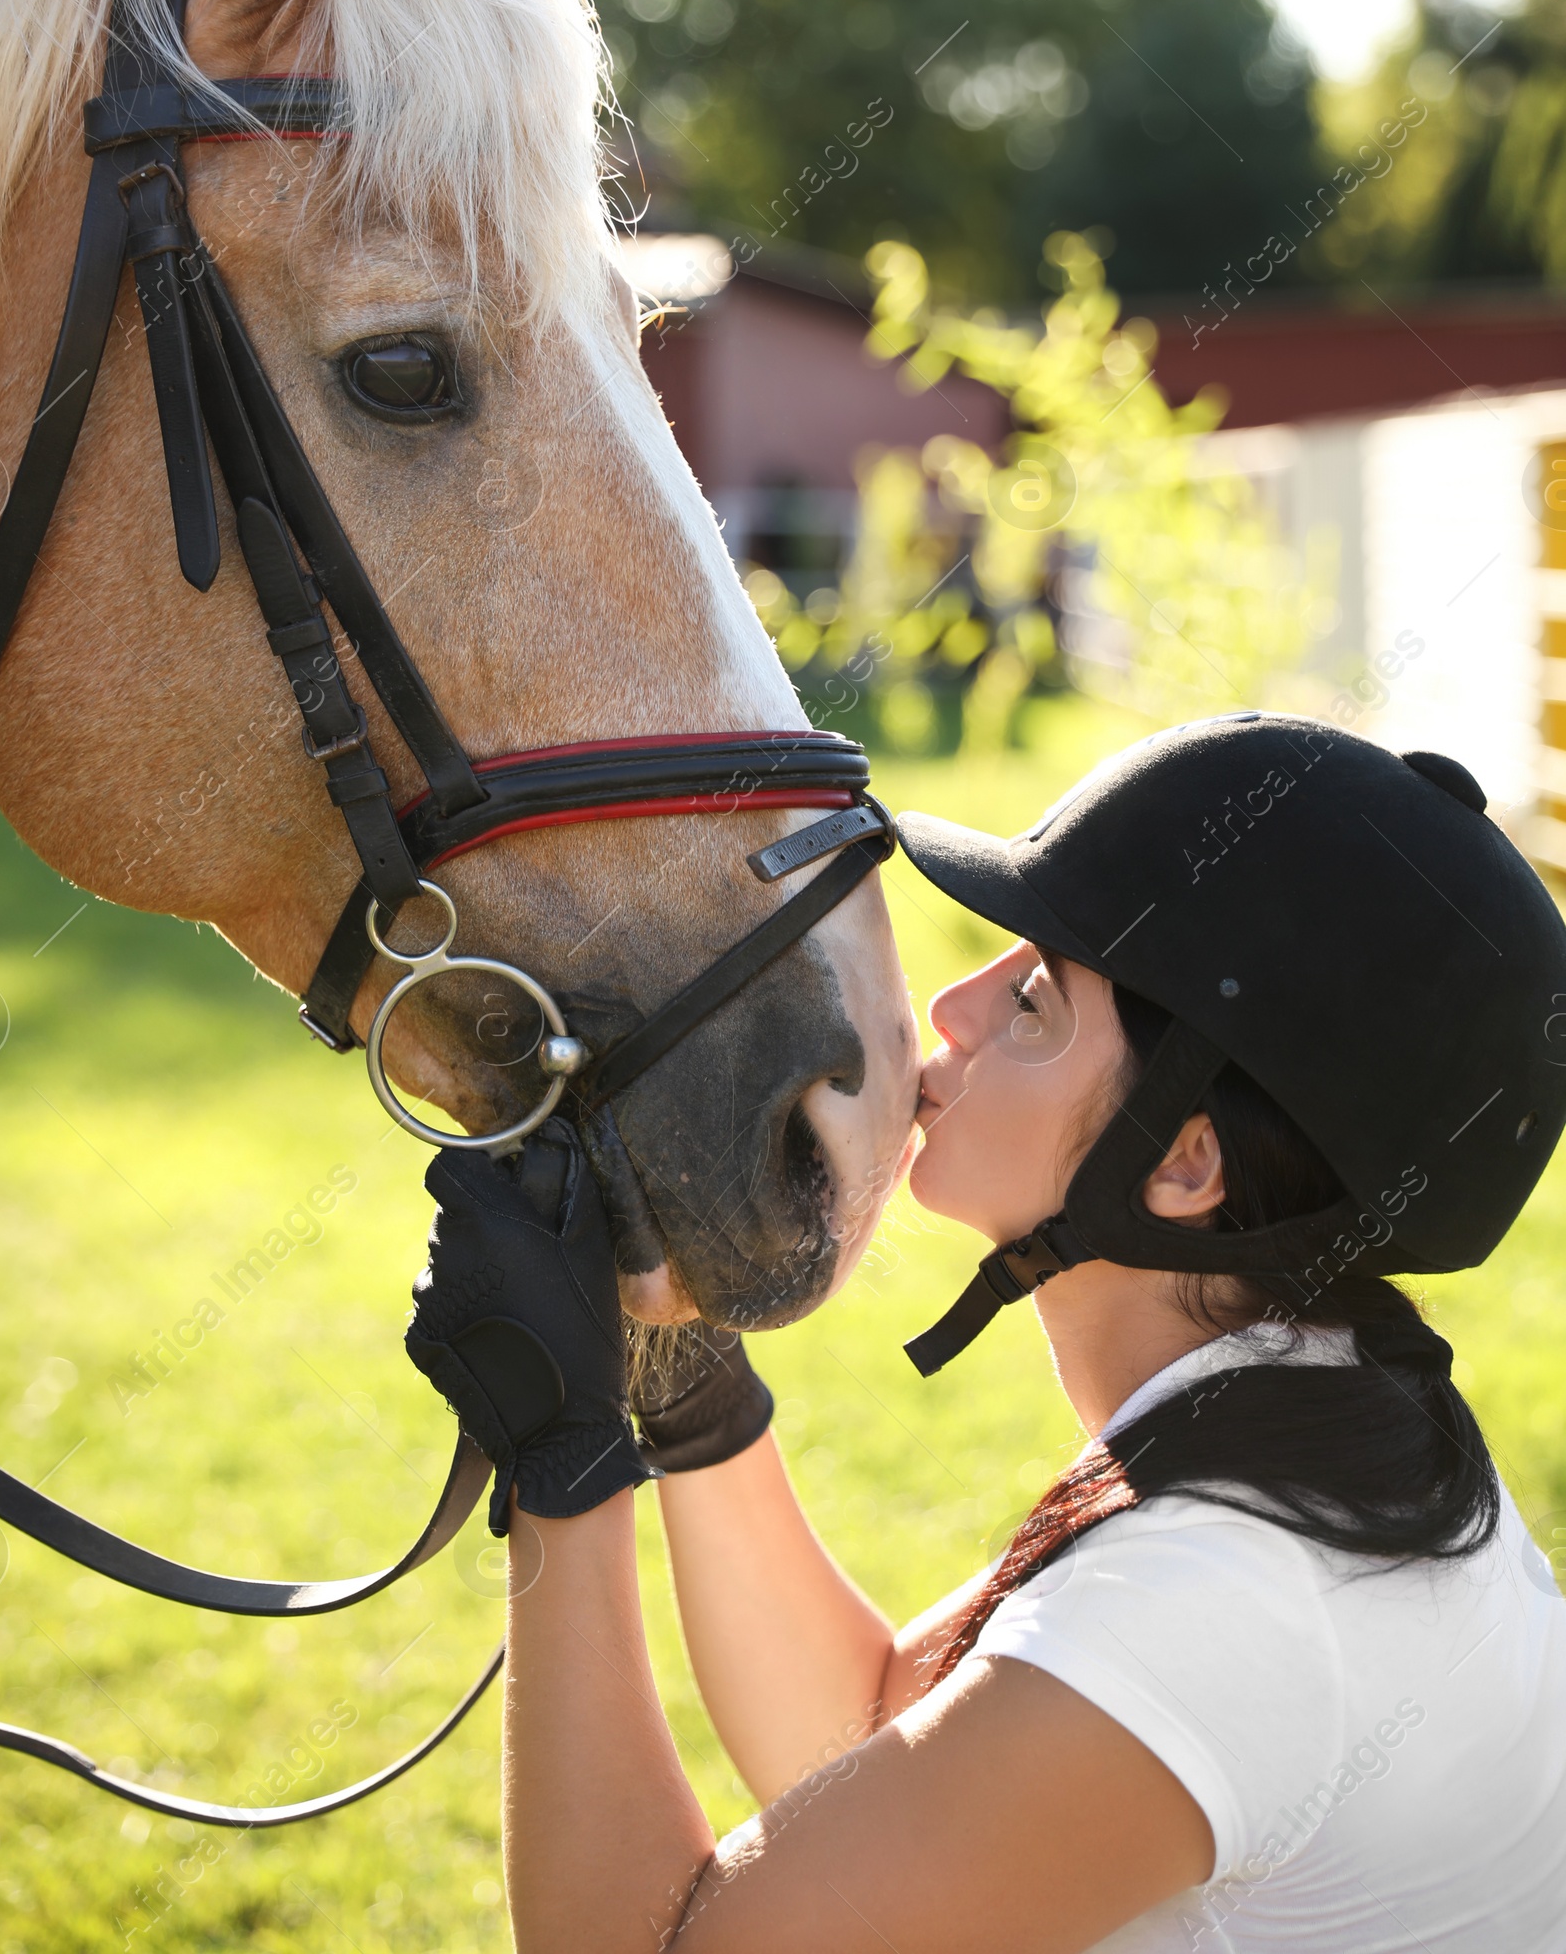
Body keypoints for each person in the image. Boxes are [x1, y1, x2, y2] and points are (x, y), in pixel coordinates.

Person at [405, 713, 1566, 1951]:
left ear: (1183, 1163)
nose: (948, 1010)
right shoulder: (1314, 1422)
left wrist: (563, 1464)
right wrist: (681, 1375)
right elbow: (861, 1738)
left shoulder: (1225, 1603)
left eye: (1029, 1000)